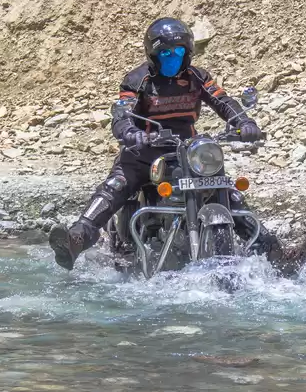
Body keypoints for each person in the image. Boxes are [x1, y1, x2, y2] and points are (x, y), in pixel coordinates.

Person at [48, 17, 285, 271]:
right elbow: (122, 113)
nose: (173, 57)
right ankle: (77, 237)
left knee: (225, 190)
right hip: (144, 153)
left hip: (187, 151)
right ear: (153, 54)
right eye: (165, 52)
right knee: (116, 186)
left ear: (188, 52)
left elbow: (223, 101)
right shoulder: (137, 80)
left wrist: (244, 122)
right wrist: (129, 132)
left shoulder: (197, 77)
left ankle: (273, 252)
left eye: (179, 51)